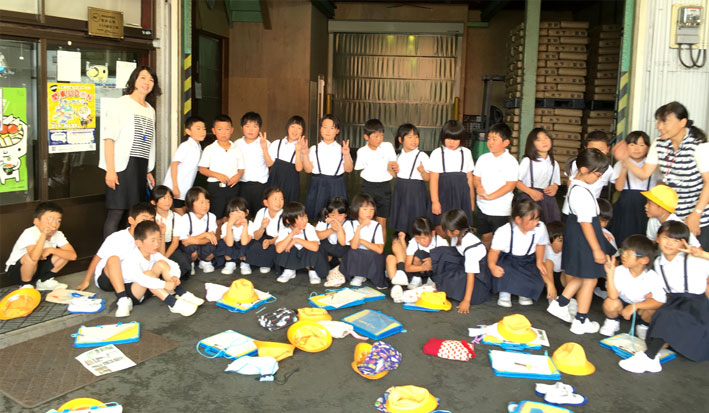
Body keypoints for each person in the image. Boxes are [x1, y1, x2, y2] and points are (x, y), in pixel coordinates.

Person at [613, 102, 709, 250]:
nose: (659, 126)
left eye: (664, 122)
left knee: (697, 258)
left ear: (682, 122)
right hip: (673, 217)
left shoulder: (699, 145)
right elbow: (644, 174)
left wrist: (696, 214)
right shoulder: (659, 144)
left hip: (698, 217)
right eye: (658, 121)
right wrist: (625, 160)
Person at [619, 221, 709, 373]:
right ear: (658, 238)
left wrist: (702, 254)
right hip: (674, 301)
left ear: (684, 243)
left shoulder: (694, 259)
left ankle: (649, 358)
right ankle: (652, 356)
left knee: (669, 315)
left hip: (696, 306)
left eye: (676, 240)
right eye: (666, 238)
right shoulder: (658, 263)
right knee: (660, 317)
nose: (670, 243)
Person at [547, 148, 617, 335]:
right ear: (584, 170)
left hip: (581, 236)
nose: (599, 178)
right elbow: (586, 223)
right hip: (584, 239)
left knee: (582, 276)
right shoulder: (581, 192)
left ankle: (562, 304)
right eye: (598, 174)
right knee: (590, 279)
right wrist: (596, 249)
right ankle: (579, 319)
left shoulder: (579, 186)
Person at [100, 66, 161, 238]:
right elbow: (109, 139)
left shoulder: (150, 109)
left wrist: (148, 170)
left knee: (134, 214)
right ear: (134, 80)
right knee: (116, 211)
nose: (147, 83)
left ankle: (130, 250)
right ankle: (108, 252)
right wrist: (110, 170)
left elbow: (149, 142)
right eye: (143, 78)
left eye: (151, 80)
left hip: (140, 166)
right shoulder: (120, 104)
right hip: (122, 166)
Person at [76, 202, 156, 317]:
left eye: (151, 219)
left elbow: (159, 258)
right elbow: (98, 257)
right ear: (131, 220)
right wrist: (86, 280)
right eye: (144, 219)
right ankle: (122, 299)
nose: (148, 223)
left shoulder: (149, 238)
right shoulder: (117, 237)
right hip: (108, 278)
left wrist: (161, 236)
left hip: (129, 277)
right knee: (114, 259)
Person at [120, 221, 204, 316]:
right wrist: (164, 284)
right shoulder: (131, 258)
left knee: (162, 263)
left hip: (149, 287)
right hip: (134, 294)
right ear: (138, 243)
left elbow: (173, 265)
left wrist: (174, 276)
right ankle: (173, 304)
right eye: (152, 240)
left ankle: (181, 293)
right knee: (148, 274)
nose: (157, 244)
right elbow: (142, 279)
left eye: (159, 239)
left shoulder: (154, 253)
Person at [487, 199, 552, 307]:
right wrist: (492, 266)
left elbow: (540, 244)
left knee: (534, 275)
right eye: (531, 220)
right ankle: (505, 293)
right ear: (518, 219)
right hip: (508, 259)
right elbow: (494, 251)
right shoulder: (504, 231)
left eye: (537, 219)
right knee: (503, 270)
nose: (536, 222)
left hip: (528, 259)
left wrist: (539, 261)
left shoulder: (540, 227)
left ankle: (524, 293)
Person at [600, 235, 665, 338]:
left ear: (644, 260)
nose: (623, 255)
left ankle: (643, 326)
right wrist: (610, 275)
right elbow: (613, 296)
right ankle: (612, 321)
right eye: (623, 251)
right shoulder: (619, 270)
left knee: (652, 308)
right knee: (610, 303)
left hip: (640, 308)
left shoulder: (652, 276)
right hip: (621, 304)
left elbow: (660, 301)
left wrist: (635, 306)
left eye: (629, 254)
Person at [430, 209, 490, 314]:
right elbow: (452, 253)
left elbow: (471, 275)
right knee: (441, 253)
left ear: (456, 231)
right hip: (463, 263)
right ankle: (442, 284)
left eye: (446, 230)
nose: (444, 232)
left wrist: (466, 301)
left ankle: (447, 286)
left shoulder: (471, 249)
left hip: (478, 279)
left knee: (453, 279)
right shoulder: (458, 235)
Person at [5, 202, 76, 290]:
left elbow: (73, 256)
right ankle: (25, 285)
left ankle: (44, 281)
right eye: (49, 220)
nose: (54, 225)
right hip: (17, 272)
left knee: (64, 254)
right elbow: (34, 257)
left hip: (37, 268)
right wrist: (43, 235)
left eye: (58, 221)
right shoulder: (29, 233)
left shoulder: (58, 234)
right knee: (29, 257)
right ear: (36, 221)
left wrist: (50, 250)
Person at [473, 123, 519, 249]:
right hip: (482, 206)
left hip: (501, 210)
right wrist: (478, 186)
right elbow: (476, 178)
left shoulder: (511, 162)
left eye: (494, 139)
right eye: (489, 139)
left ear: (506, 143)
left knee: (500, 240)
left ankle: (497, 259)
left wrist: (491, 197)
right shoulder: (483, 158)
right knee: (486, 236)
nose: (490, 142)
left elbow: (510, 185)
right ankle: (485, 258)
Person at [302, 114, 354, 220]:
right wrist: (305, 154)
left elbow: (349, 169)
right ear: (320, 129)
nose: (328, 131)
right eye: (325, 127)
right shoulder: (314, 148)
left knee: (338, 217)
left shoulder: (342, 149)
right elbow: (308, 170)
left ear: (337, 130)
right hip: (318, 184)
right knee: (317, 217)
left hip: (337, 185)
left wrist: (346, 154)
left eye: (332, 128)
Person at [610, 130, 656, 247]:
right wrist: (624, 168)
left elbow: (660, 185)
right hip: (627, 204)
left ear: (648, 147)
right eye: (632, 145)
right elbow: (619, 188)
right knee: (624, 234)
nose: (637, 149)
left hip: (647, 203)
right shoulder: (620, 164)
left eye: (641, 145)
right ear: (626, 147)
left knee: (644, 234)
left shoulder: (652, 165)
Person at [428, 120, 475, 229]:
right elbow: (433, 179)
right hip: (443, 195)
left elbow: (470, 179)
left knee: (460, 227)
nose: (452, 142)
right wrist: (435, 201)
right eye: (448, 138)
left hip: (462, 196)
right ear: (443, 137)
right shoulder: (437, 153)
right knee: (441, 226)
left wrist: (471, 200)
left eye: (455, 139)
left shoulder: (466, 153)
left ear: (461, 139)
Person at [354, 118, 397, 238]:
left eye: (381, 135)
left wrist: (392, 169)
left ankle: (380, 249)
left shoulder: (388, 147)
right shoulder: (362, 152)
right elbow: (360, 168)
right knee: (365, 221)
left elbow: (394, 167)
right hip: (368, 187)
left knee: (381, 223)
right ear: (366, 137)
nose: (379, 139)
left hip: (384, 187)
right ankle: (364, 247)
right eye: (376, 136)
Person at [198, 114, 245, 221]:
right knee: (216, 217)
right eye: (220, 129)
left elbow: (241, 169)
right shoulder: (209, 149)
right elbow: (202, 169)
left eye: (227, 129)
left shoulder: (237, 149)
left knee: (232, 216)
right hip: (215, 187)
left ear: (232, 130)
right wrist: (218, 175)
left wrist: (238, 176)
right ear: (214, 131)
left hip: (233, 187)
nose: (223, 133)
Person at [385, 216, 446, 296]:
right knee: (414, 258)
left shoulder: (442, 242)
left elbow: (447, 264)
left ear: (433, 233)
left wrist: (434, 262)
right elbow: (407, 267)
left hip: (435, 272)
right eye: (417, 238)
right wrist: (423, 267)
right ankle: (400, 285)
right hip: (418, 271)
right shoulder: (413, 243)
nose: (421, 241)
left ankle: (432, 281)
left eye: (424, 238)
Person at [389, 124, 430, 236]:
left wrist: (422, 171)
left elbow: (428, 178)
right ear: (400, 139)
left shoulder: (422, 156)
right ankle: (403, 241)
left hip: (416, 193)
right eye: (410, 137)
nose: (414, 140)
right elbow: (395, 175)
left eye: (416, 137)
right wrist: (391, 170)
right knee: (402, 224)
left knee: (417, 223)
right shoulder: (398, 156)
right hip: (400, 191)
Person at [561, 131, 613, 217]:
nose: (597, 153)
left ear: (608, 149)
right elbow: (570, 180)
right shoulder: (576, 163)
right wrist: (570, 192)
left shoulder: (608, 169)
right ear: (585, 148)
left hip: (590, 209)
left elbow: (619, 185)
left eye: (601, 149)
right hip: (570, 209)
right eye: (593, 149)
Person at [275, 202, 328, 284]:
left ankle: (312, 270)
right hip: (294, 257)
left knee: (312, 248)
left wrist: (296, 240)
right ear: (288, 221)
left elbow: (315, 247)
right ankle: (289, 270)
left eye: (306, 216)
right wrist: (292, 234)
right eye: (301, 218)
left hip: (306, 257)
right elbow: (278, 249)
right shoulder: (285, 230)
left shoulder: (309, 228)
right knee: (285, 246)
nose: (305, 220)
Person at [339, 193, 386, 288]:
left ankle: (372, 275)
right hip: (357, 255)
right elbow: (354, 246)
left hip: (372, 256)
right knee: (352, 252)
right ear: (356, 209)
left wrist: (362, 241)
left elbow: (380, 249)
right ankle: (359, 275)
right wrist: (360, 228)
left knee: (375, 255)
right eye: (365, 209)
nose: (369, 212)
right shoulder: (350, 224)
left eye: (372, 209)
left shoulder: (376, 225)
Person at [162, 116, 207, 214]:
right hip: (175, 188)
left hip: (185, 190)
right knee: (179, 216)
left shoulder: (198, 147)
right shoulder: (185, 146)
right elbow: (174, 165)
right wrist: (175, 186)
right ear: (188, 131)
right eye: (198, 128)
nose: (202, 132)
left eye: (204, 129)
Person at [516, 127, 561, 223]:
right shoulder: (528, 161)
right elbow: (516, 182)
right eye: (538, 140)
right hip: (530, 199)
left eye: (546, 138)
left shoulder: (554, 163)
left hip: (547, 200)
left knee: (550, 226)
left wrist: (554, 187)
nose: (544, 142)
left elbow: (556, 182)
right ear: (532, 144)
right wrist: (530, 191)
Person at [236, 112, 273, 217]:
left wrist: (264, 148)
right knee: (243, 215)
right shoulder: (236, 144)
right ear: (242, 127)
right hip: (242, 184)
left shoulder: (266, 143)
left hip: (260, 186)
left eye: (255, 126)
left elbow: (270, 163)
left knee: (260, 216)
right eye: (247, 126)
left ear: (259, 128)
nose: (251, 130)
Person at [150, 186, 190, 280]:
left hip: (170, 246)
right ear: (154, 202)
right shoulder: (151, 217)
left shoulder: (176, 217)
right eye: (163, 198)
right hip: (153, 246)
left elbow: (175, 243)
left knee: (184, 263)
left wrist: (164, 258)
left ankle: (169, 278)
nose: (168, 201)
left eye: (170, 197)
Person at [243, 187, 285, 275]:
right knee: (252, 245)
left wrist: (270, 242)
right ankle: (247, 263)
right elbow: (256, 236)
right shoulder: (261, 212)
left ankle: (265, 263)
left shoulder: (284, 215)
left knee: (274, 249)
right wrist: (262, 227)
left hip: (277, 240)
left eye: (281, 199)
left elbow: (283, 236)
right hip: (263, 237)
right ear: (266, 202)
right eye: (275, 199)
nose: (279, 202)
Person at [266, 115, 306, 204]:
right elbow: (269, 164)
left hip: (291, 183)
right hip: (275, 180)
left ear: (302, 132)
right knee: (272, 204)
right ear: (288, 127)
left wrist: (298, 150)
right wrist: (264, 148)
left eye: (299, 128)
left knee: (289, 207)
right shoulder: (277, 143)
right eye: (293, 126)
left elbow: (299, 168)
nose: (295, 130)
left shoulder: (303, 148)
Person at [178, 187, 218, 274]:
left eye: (208, 202)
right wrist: (205, 234)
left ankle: (205, 262)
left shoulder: (211, 217)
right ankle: (191, 263)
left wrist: (194, 240)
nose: (205, 205)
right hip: (191, 246)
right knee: (191, 250)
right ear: (191, 203)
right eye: (201, 202)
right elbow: (185, 242)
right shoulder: (185, 218)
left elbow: (211, 238)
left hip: (203, 243)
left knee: (212, 247)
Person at [215, 197, 252, 275]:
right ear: (228, 215)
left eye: (239, 213)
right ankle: (230, 262)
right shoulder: (226, 225)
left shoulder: (250, 224)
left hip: (243, 244)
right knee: (222, 243)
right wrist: (229, 226)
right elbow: (229, 243)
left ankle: (245, 263)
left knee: (251, 244)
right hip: (232, 244)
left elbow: (244, 242)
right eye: (232, 214)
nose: (236, 217)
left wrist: (245, 226)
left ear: (246, 213)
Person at [315, 197, 349, 268]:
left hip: (342, 252)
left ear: (346, 214)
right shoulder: (324, 221)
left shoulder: (348, 224)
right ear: (328, 213)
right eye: (333, 215)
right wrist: (332, 229)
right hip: (327, 250)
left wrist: (339, 227)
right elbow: (318, 236)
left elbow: (343, 242)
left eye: (340, 215)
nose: (336, 218)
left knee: (345, 257)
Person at [543, 221, 566, 294]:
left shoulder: (566, 249)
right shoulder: (546, 251)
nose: (564, 243)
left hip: (561, 278)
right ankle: (552, 295)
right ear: (549, 242)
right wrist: (550, 285)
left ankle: (569, 294)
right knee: (548, 263)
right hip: (548, 279)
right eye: (560, 240)